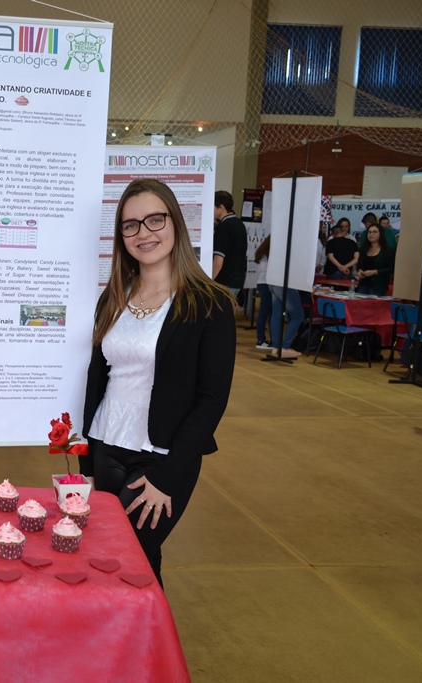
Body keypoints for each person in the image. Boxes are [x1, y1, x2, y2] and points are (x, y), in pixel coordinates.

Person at [80, 178, 236, 586]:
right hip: (107, 445)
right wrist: (85, 464)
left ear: (175, 222)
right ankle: (147, 629)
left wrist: (168, 477)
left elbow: (212, 399)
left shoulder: (210, 303)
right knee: (136, 564)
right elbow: (98, 382)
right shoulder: (114, 297)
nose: (143, 233)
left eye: (154, 220)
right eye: (130, 225)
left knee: (123, 560)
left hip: (162, 456)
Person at [212, 190, 247, 296]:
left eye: (213, 207)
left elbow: (218, 262)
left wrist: (208, 281)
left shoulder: (224, 227)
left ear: (221, 207)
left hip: (224, 282)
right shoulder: (240, 224)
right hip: (237, 281)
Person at [356, 223, 396, 296]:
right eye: (369, 232)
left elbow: (391, 269)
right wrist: (360, 271)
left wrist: (375, 272)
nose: (371, 234)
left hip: (378, 287)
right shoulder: (363, 249)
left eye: (374, 232)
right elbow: (359, 265)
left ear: (380, 234)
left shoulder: (388, 251)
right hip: (363, 285)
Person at [254, 235, 272, 350]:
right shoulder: (269, 254)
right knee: (264, 312)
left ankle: (261, 339)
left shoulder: (262, 252)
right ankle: (261, 340)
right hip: (266, 283)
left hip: (261, 282)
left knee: (264, 312)